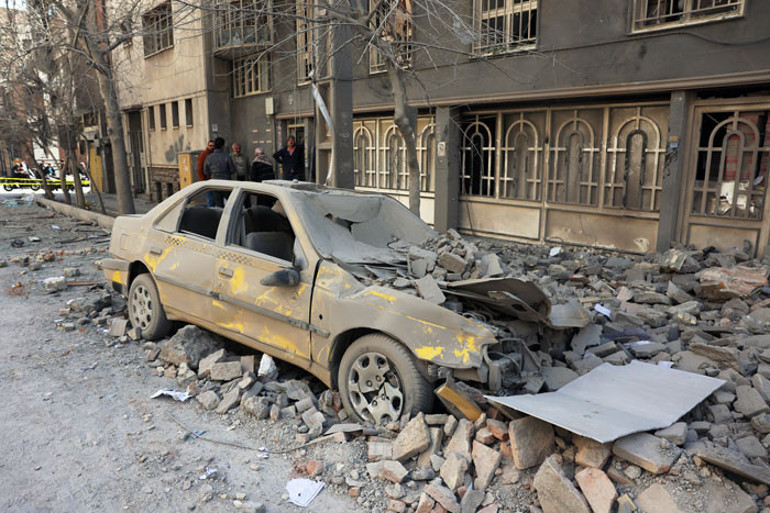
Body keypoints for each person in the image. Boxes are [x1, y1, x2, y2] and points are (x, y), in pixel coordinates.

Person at [203, 137, 235, 207]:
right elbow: (232, 170)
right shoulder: (227, 156)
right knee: (231, 204)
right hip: (227, 183)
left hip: (215, 184)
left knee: (219, 205)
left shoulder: (209, 157)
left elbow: (206, 172)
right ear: (222, 146)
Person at [197, 139, 215, 207]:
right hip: (208, 180)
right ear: (208, 146)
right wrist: (202, 181)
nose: (212, 147)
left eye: (213, 146)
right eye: (210, 145)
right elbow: (199, 169)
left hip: (214, 179)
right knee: (210, 200)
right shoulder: (203, 155)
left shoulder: (214, 154)